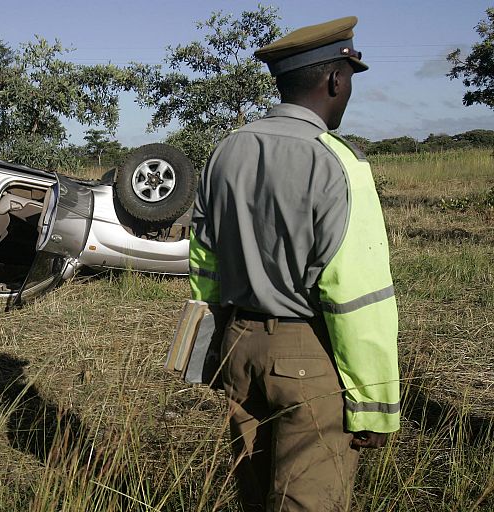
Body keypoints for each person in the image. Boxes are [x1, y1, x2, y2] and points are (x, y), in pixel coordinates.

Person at [188, 16, 400, 511]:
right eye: (348, 80)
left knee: (253, 495)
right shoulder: (337, 162)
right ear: (334, 79)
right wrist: (374, 406)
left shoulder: (226, 150)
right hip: (308, 354)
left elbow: (204, 265)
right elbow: (357, 295)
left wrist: (207, 352)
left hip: (238, 346)